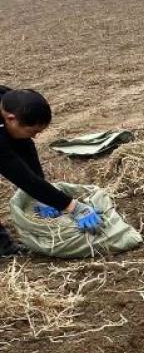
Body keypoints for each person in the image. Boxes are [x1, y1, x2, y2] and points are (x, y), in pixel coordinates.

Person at [0, 86, 101, 257]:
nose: (35, 137)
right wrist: (73, 206)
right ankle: (3, 247)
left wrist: (44, 197)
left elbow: (25, 149)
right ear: (10, 119)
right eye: (32, 131)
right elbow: (19, 174)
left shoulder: (10, 100)